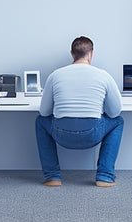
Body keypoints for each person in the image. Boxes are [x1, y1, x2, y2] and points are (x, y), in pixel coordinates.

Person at [35, 36, 124, 187]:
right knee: (118, 121)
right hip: (92, 134)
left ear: (72, 53)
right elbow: (115, 112)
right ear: (91, 54)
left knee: (40, 121)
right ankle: (105, 176)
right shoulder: (103, 75)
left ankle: (52, 177)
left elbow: (44, 112)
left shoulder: (55, 75)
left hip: (62, 134)